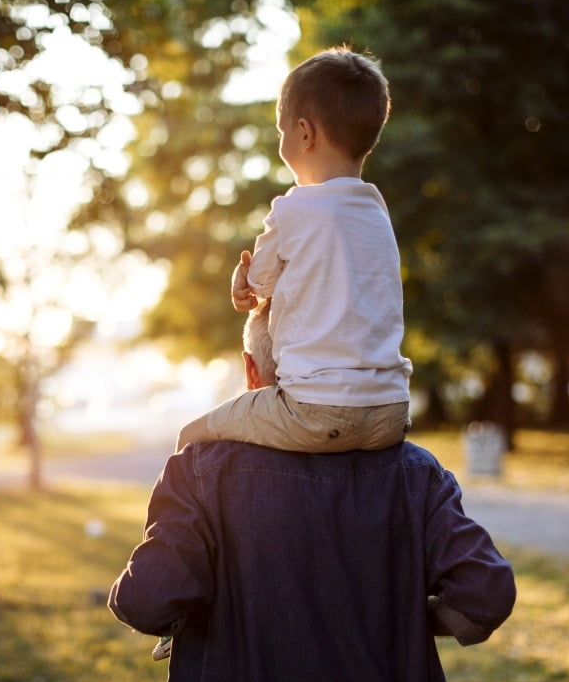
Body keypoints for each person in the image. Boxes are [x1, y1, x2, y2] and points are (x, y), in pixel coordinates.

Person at [109, 302, 516, 682]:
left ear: (251, 370)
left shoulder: (200, 469)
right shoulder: (415, 473)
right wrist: (411, 613)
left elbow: (148, 600)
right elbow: (486, 592)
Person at [176, 46, 414, 454]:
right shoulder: (376, 211)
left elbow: (260, 282)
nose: (280, 141)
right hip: (392, 411)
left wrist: (242, 284)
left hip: (317, 409)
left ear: (304, 133)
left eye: (280, 131)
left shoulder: (292, 208)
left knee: (191, 438)